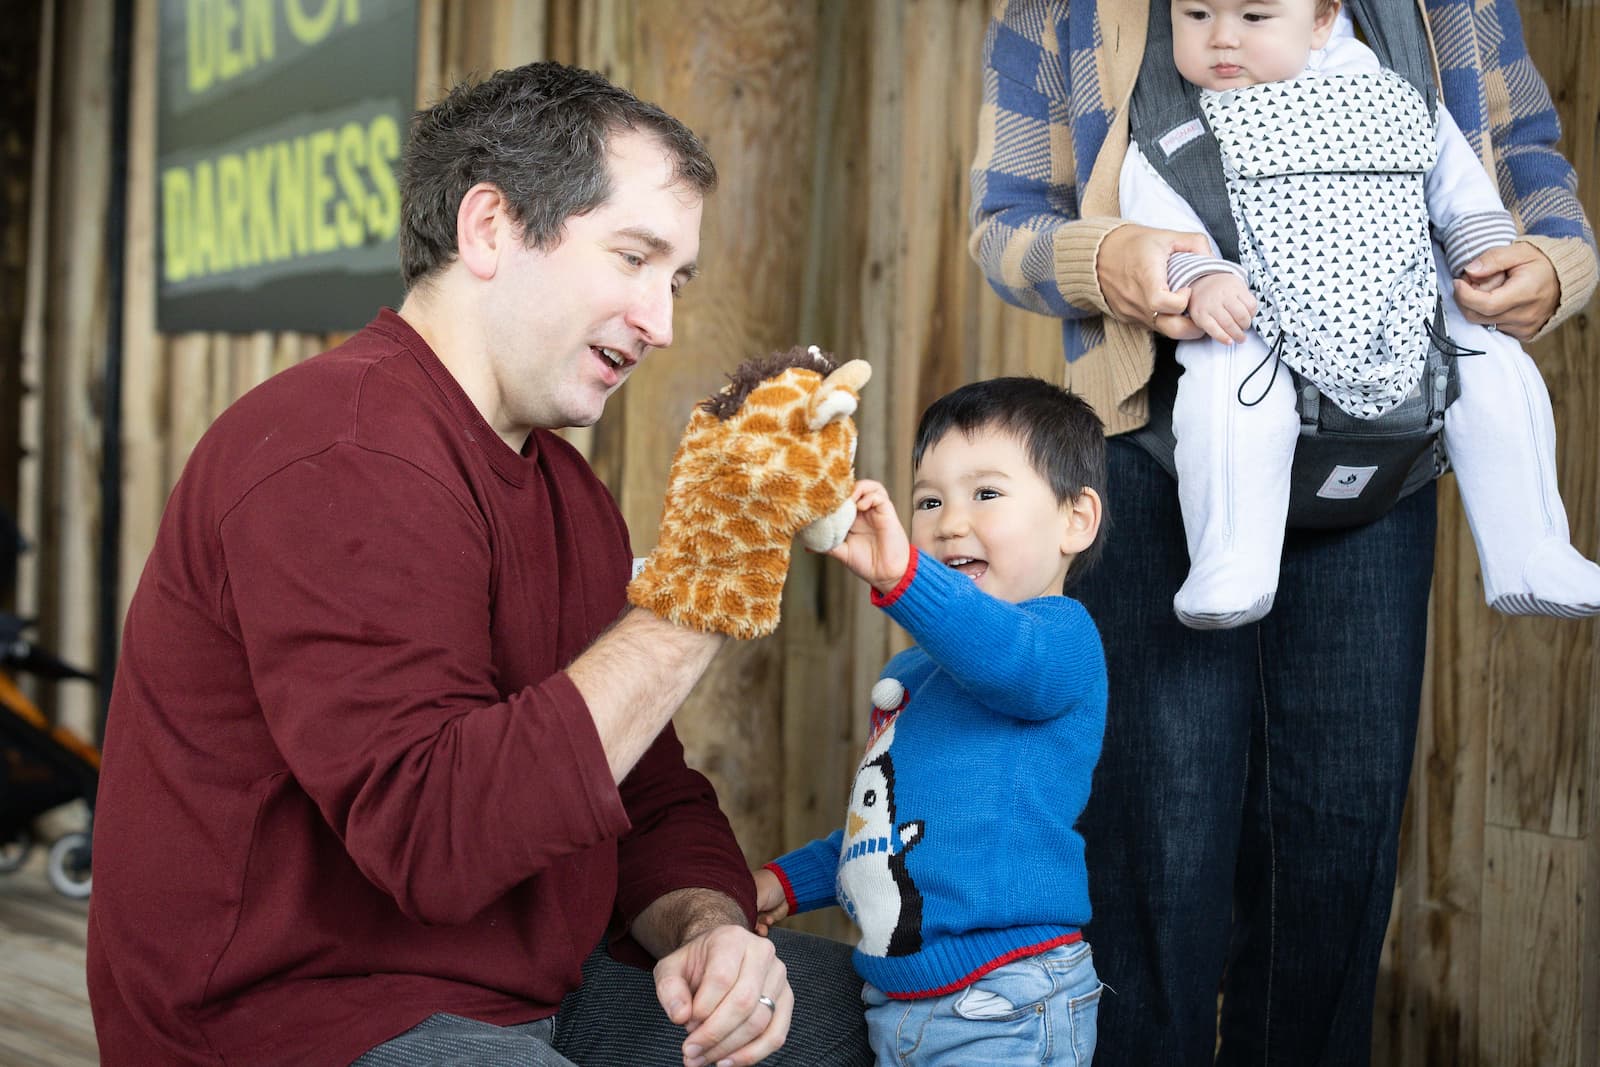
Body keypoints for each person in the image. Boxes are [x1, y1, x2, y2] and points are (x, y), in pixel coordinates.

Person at [87, 61, 871, 1067]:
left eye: (675, 280)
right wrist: (701, 586)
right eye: (632, 257)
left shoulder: (566, 491)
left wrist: (710, 928)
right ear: (491, 226)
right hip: (299, 1020)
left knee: (870, 1013)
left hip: (530, 996)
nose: (661, 322)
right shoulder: (338, 446)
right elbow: (432, 835)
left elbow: (645, 790)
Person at [970, 1, 1595, 1064]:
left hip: (1379, 456)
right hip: (1157, 446)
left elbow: (1520, 151)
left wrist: (1554, 260)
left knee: (1337, 843)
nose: (1222, 27)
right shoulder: (1063, 11)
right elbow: (1005, 224)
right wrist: (1109, 256)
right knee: (1156, 843)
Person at [1122, 0, 1600, 628]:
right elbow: (1156, 216)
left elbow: (1452, 171)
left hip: (1405, 299)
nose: (1222, 40)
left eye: (1254, 18)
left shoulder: (1387, 87)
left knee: (1496, 369)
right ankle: (1232, 558)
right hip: (1257, 309)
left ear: (1322, 22)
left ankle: (1531, 547)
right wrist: (1202, 276)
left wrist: (1485, 251)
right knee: (1225, 390)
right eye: (1197, 15)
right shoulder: (1174, 122)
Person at [752, 378, 1110, 1065]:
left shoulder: (1060, 638)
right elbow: (879, 841)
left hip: (1005, 999)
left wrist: (905, 576)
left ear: (1075, 520)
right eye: (929, 500)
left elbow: (1006, 656)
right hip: (897, 1008)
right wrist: (774, 882)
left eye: (985, 493)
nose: (949, 522)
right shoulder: (916, 676)